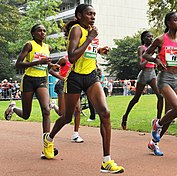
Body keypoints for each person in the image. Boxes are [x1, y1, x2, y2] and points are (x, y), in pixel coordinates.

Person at [42, 4, 124, 174]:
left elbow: (89, 51)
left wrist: (100, 50)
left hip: (91, 76)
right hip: (75, 78)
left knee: (105, 113)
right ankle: (48, 139)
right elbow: (72, 56)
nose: (93, 17)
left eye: (94, 14)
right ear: (79, 16)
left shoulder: (93, 30)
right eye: (89, 14)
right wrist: (89, 38)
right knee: (66, 117)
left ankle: (106, 161)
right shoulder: (77, 30)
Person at [142, 12, 177, 156]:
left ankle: (154, 143)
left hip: (175, 78)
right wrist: (156, 61)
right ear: (168, 23)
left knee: (169, 115)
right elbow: (146, 54)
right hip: (164, 78)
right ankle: (157, 124)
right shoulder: (160, 39)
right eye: (176, 20)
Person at [4, 24, 58, 158]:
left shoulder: (47, 47)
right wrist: (38, 63)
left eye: (44, 30)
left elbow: (46, 63)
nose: (42, 32)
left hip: (41, 80)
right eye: (39, 30)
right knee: (26, 114)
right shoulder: (29, 45)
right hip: (28, 80)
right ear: (33, 33)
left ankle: (47, 145)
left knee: (46, 110)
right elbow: (18, 64)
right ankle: (13, 108)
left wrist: (51, 65)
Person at [121, 31, 163, 130]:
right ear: (144, 38)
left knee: (160, 96)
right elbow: (140, 66)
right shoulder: (141, 48)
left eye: (152, 36)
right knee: (136, 98)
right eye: (149, 37)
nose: (151, 38)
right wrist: (150, 57)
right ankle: (125, 116)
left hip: (152, 73)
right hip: (144, 75)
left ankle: (158, 121)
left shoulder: (154, 48)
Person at [49, 55, 84, 143]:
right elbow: (51, 71)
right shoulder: (64, 59)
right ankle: (54, 106)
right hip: (62, 85)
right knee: (62, 113)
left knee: (77, 109)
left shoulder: (79, 58)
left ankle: (75, 134)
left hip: (74, 85)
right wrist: (63, 79)